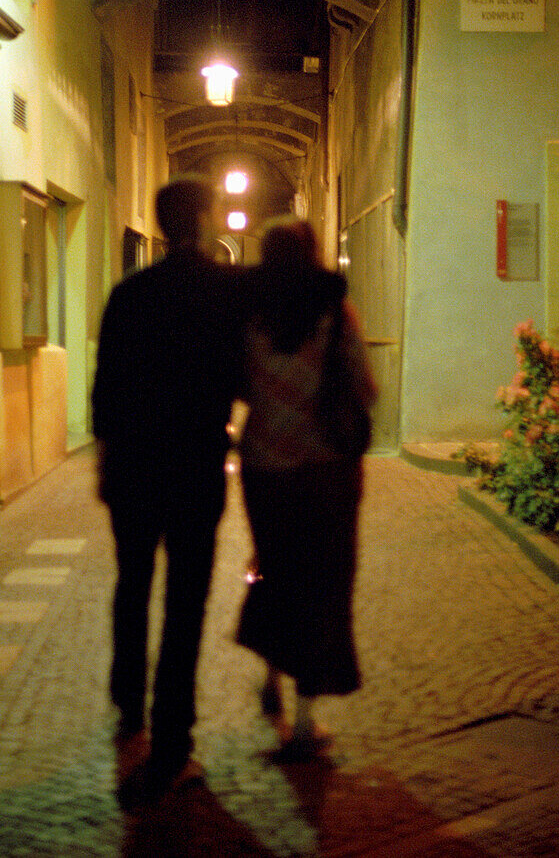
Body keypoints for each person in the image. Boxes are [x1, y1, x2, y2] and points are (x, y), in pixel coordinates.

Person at [92, 174, 244, 807]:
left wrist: (105, 459)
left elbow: (105, 389)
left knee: (132, 583)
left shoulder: (128, 294)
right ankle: (173, 732)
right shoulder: (224, 292)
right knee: (186, 602)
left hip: (133, 464)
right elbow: (241, 374)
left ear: (158, 224)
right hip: (194, 464)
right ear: (204, 219)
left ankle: (128, 696)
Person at [235, 217, 377, 761]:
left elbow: (239, 384)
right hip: (327, 470)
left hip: (266, 466)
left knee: (274, 566)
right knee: (323, 583)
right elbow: (363, 385)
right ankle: (304, 719)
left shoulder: (250, 316)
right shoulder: (335, 313)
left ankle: (270, 672)